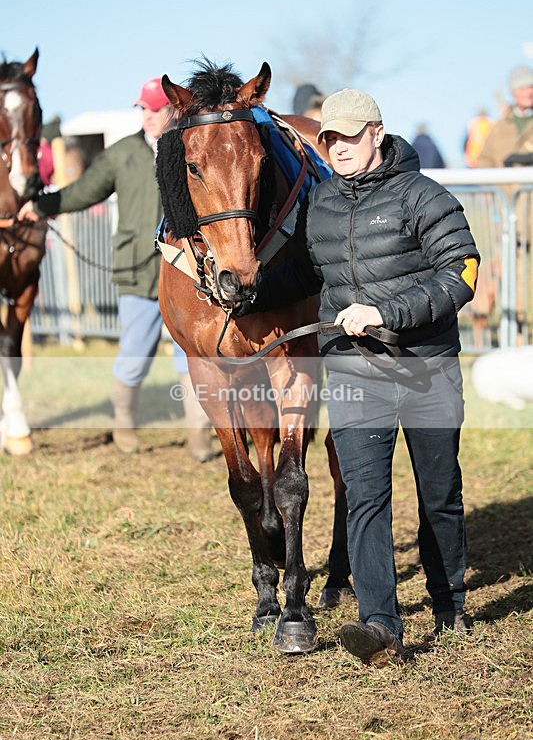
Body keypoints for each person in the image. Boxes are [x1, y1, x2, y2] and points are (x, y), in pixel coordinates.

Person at [238, 88, 480, 667]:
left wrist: (387, 313)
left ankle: (450, 599)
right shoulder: (317, 205)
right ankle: (381, 625)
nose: (339, 147)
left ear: (376, 133)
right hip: (352, 366)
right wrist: (237, 293)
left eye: (349, 136)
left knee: (438, 493)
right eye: (329, 138)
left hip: (425, 366)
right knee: (365, 496)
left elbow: (462, 273)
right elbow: (296, 277)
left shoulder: (427, 196)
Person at [19, 77, 217, 461]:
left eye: (154, 109)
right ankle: (123, 425)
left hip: (189, 273)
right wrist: (43, 206)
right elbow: (84, 191)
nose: (146, 116)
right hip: (137, 272)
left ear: (174, 109)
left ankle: (200, 438)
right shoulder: (123, 153)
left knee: (192, 358)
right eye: (141, 108)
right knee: (134, 355)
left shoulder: (193, 147)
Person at [476, 65, 533, 168]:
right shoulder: (499, 127)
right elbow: (484, 159)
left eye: (531, 87)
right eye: (522, 88)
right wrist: (494, 182)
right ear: (513, 92)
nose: (528, 93)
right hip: (504, 183)